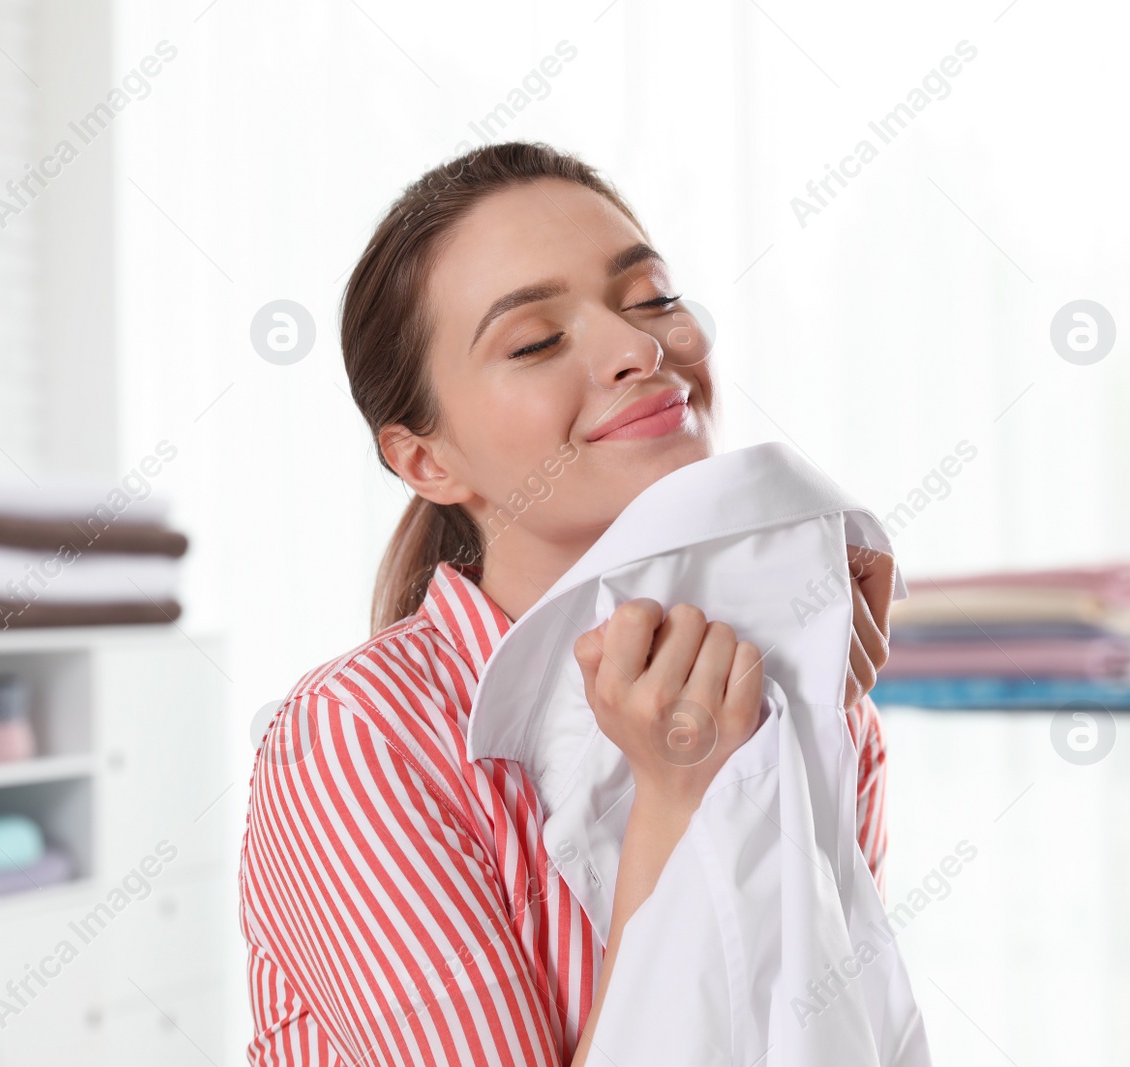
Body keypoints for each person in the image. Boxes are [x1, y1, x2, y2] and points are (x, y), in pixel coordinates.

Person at [239, 141, 896, 1066]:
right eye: (537, 340)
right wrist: (678, 800)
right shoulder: (358, 739)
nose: (639, 349)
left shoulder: (789, 689)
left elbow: (836, 1027)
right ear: (427, 460)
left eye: (652, 299)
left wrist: (816, 731)